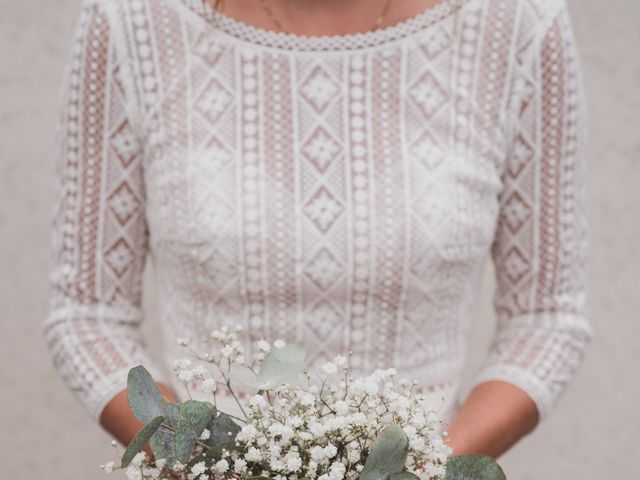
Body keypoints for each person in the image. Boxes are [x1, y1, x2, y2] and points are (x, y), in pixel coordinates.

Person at [43, 0, 594, 460]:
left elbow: (545, 319)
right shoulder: (132, 25)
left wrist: (428, 465)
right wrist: (199, 462)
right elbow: (90, 315)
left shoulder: (517, 24)